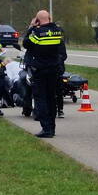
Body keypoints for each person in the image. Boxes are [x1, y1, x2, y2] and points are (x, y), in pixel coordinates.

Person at [22, 10, 66, 138]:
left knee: (41, 99)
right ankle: (52, 127)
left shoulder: (37, 33)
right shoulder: (58, 31)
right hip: (54, 70)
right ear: (50, 18)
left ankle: (46, 128)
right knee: (51, 98)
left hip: (40, 71)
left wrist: (31, 27)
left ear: (37, 20)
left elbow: (26, 43)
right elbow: (62, 52)